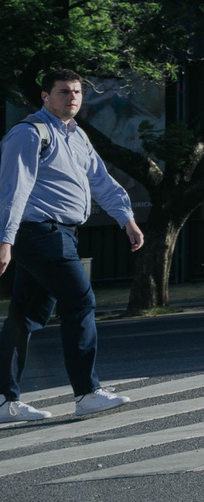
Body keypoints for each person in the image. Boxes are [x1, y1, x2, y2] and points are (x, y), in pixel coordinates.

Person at [1, 70, 145, 424]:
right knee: (80, 300)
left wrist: (126, 218)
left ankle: (4, 401)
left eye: (78, 91)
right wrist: (5, 240)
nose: (73, 97)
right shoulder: (30, 133)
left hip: (61, 233)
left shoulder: (77, 136)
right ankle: (87, 392)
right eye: (64, 91)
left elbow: (101, 180)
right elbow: (13, 191)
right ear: (45, 97)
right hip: (38, 232)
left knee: (26, 316)